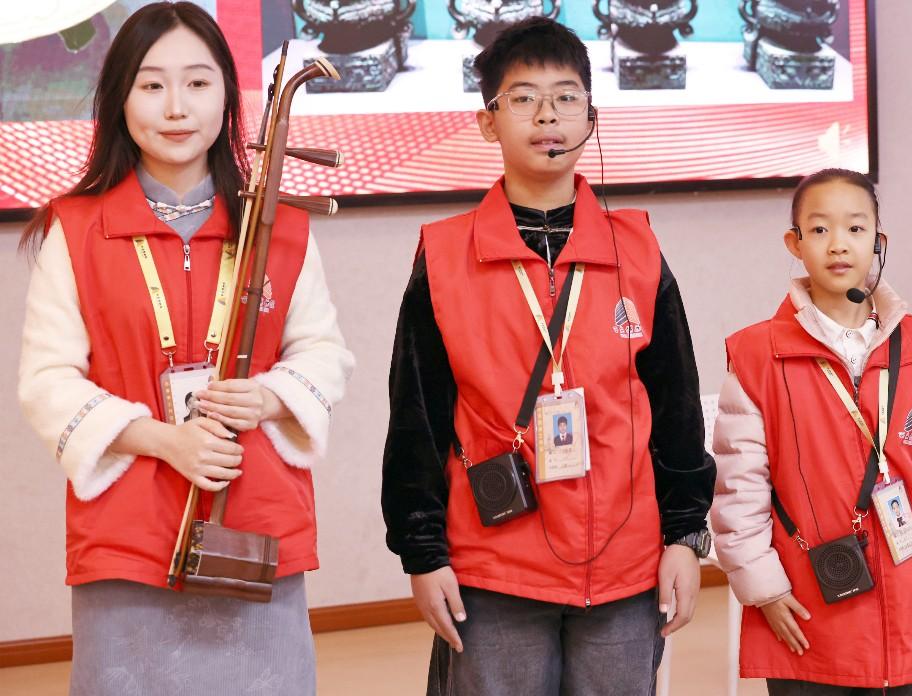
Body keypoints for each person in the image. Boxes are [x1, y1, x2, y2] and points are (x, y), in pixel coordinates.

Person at [17, 4, 354, 694]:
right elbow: (48, 379)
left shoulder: (280, 227)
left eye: (198, 83)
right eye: (152, 85)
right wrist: (164, 440)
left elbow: (322, 351)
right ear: (120, 97)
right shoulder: (76, 230)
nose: (176, 107)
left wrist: (267, 397)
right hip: (128, 529)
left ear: (227, 96)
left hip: (254, 519)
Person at [381, 17, 715, 696]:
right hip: (494, 565)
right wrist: (422, 553)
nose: (547, 115)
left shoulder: (637, 252)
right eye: (524, 98)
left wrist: (685, 535)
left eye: (566, 97)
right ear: (488, 121)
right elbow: (417, 419)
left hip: (624, 563)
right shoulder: (444, 258)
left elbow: (676, 407)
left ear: (591, 117)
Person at [710, 168, 912, 695]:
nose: (838, 244)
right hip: (802, 593)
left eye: (856, 229)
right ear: (794, 243)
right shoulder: (756, 354)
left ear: (879, 241)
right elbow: (739, 485)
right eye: (819, 230)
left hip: (902, 581)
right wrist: (763, 587)